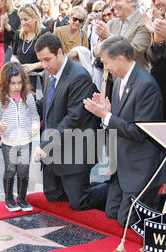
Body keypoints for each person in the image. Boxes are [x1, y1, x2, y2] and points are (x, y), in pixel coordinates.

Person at [83, 35, 166, 227]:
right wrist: (109, 112)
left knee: (127, 222)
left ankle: (157, 206)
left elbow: (140, 132)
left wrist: (106, 116)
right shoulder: (120, 81)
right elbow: (120, 122)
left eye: (106, 63)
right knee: (111, 215)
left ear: (120, 58)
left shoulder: (146, 85)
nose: (105, 68)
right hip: (122, 167)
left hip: (142, 169)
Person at [34, 32, 108, 211]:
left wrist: (47, 145)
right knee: (53, 196)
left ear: (60, 52)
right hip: (55, 150)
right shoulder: (48, 74)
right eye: (41, 60)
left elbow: (74, 118)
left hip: (76, 148)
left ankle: (114, 189)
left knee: (79, 202)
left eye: (47, 59)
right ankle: (81, 185)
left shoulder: (78, 77)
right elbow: (47, 107)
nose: (44, 65)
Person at [0, 61, 40, 212]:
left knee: (24, 170)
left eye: (19, 83)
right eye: (13, 83)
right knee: (10, 170)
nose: (16, 87)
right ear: (6, 83)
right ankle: (9, 199)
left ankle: (22, 198)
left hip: (25, 140)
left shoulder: (28, 97)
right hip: (9, 141)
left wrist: (34, 127)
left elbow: (35, 116)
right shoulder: (1, 99)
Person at [12, 3, 46, 92]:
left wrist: (34, 66)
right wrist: (16, 63)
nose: (23, 23)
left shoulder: (44, 34)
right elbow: (14, 55)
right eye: (21, 19)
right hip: (22, 80)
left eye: (26, 19)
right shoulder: (18, 34)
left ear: (35, 18)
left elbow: (52, 59)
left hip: (40, 80)